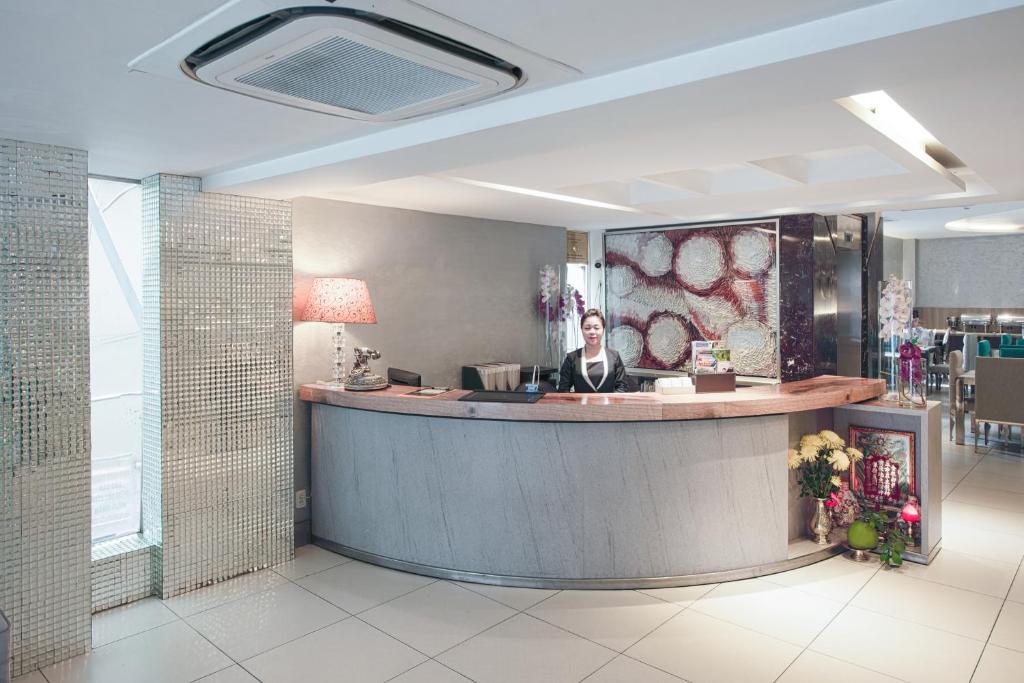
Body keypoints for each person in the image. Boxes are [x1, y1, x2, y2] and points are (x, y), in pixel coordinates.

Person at [557, 308, 630, 392]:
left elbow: (622, 387)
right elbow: (563, 390)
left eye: (596, 328)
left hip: (609, 401)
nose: (592, 332)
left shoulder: (614, 356)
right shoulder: (572, 358)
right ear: (582, 330)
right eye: (587, 328)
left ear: (603, 330)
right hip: (580, 401)